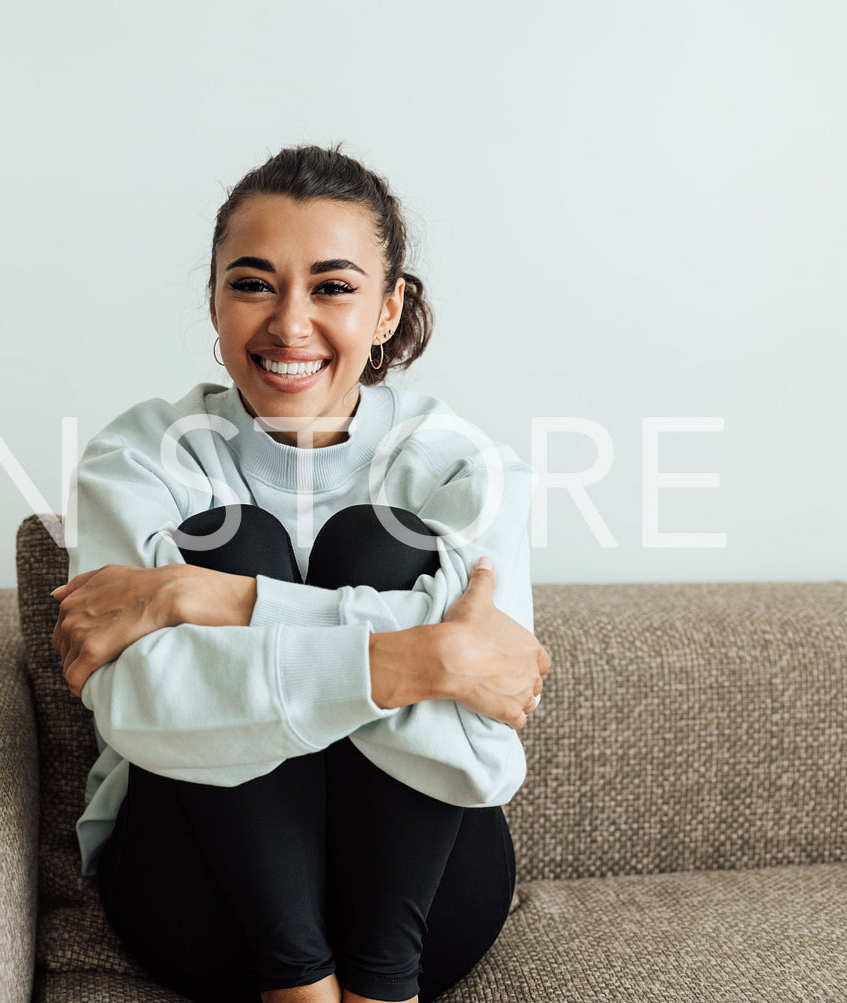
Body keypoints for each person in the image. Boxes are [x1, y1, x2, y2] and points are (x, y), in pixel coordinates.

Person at [50, 143, 552, 1003]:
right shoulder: (141, 456)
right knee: (231, 535)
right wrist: (418, 656)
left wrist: (207, 597)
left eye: (332, 286)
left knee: (373, 541)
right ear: (213, 301)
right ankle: (297, 984)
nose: (288, 323)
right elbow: (139, 699)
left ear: (388, 309)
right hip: (197, 893)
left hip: (423, 913)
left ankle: (376, 987)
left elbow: (493, 699)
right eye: (252, 284)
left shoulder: (459, 464)